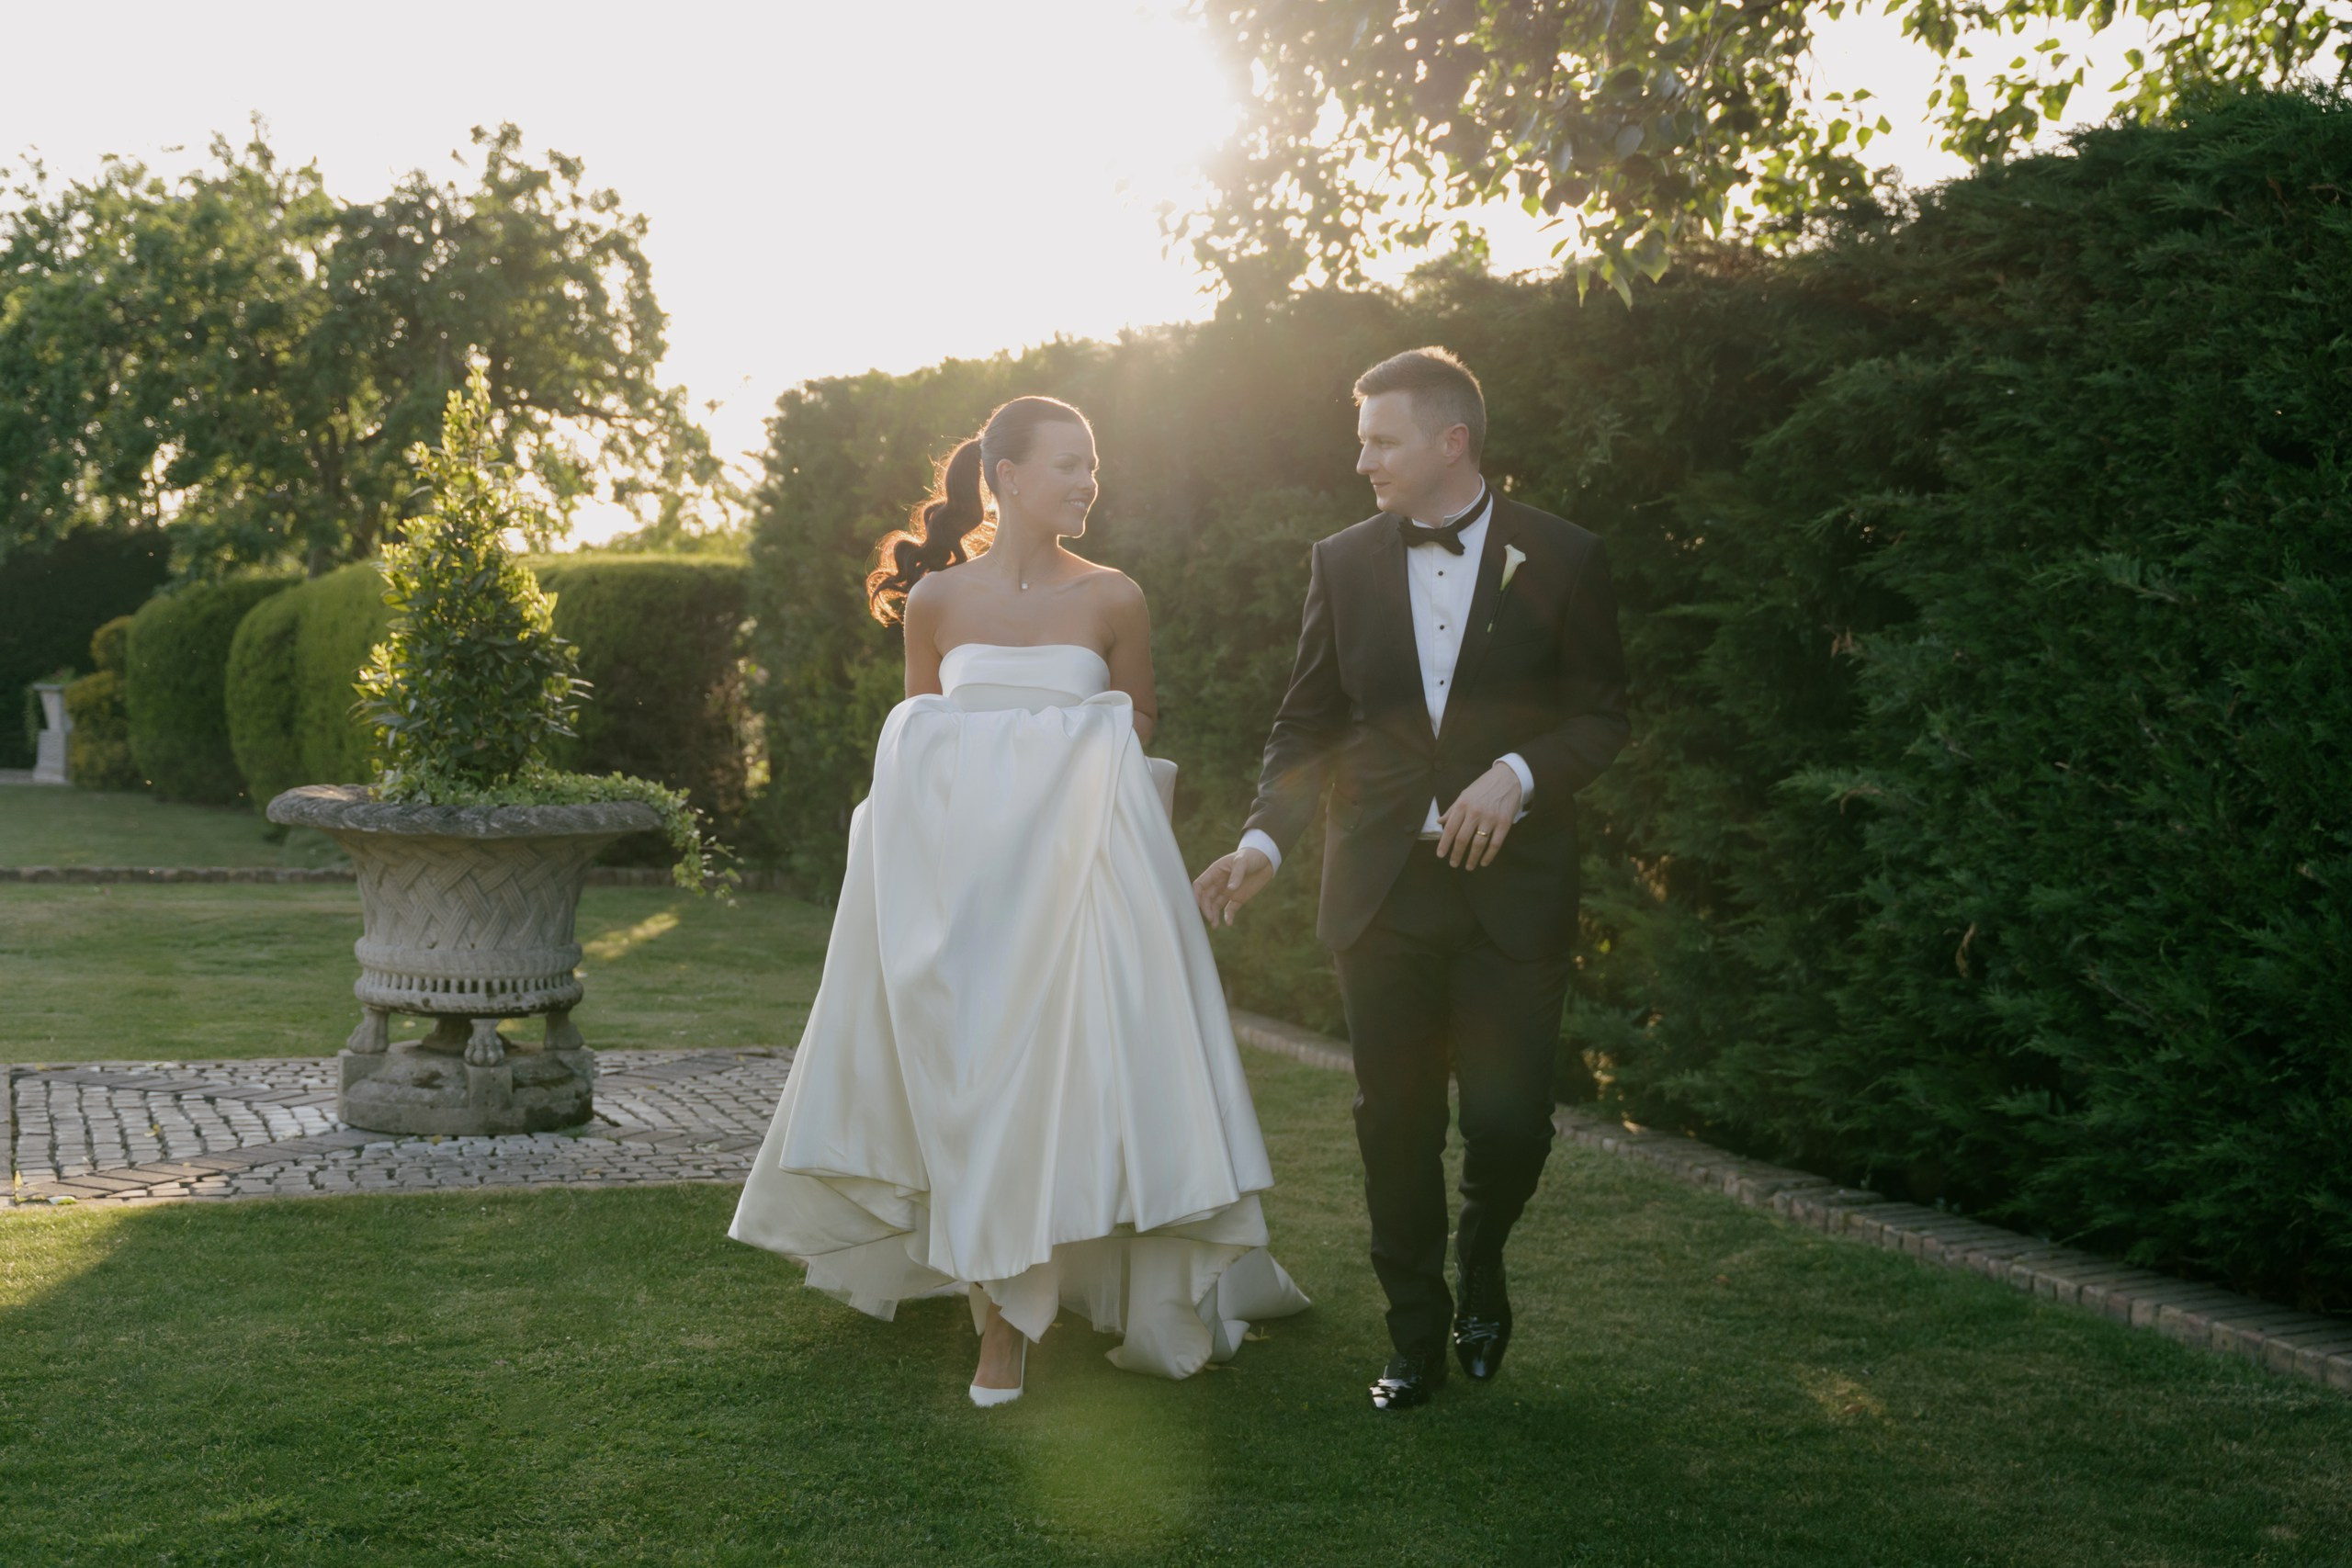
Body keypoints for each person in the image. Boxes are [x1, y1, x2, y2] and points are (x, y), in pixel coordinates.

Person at [730, 394, 1308, 1406]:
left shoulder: (1116, 598)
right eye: (1070, 464)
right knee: (969, 1084)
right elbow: (914, 748)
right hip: (961, 895)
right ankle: (995, 1316)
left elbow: (1130, 739)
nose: (1089, 482)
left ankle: (1028, 1312)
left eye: (1096, 466)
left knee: (1063, 1087)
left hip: (1080, 883)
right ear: (1003, 476)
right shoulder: (936, 604)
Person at [1193, 348, 1629, 1413]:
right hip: (1380, 888)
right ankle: (1414, 1335)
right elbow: (1307, 723)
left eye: (1379, 441)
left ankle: (1482, 1261)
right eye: (1359, 440)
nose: (1361, 461)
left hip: (1510, 890)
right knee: (1393, 1124)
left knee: (1511, 1120)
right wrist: (1266, 842)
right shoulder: (1339, 562)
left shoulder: (1564, 555)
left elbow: (1604, 713)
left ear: (1452, 443)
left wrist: (1517, 775)